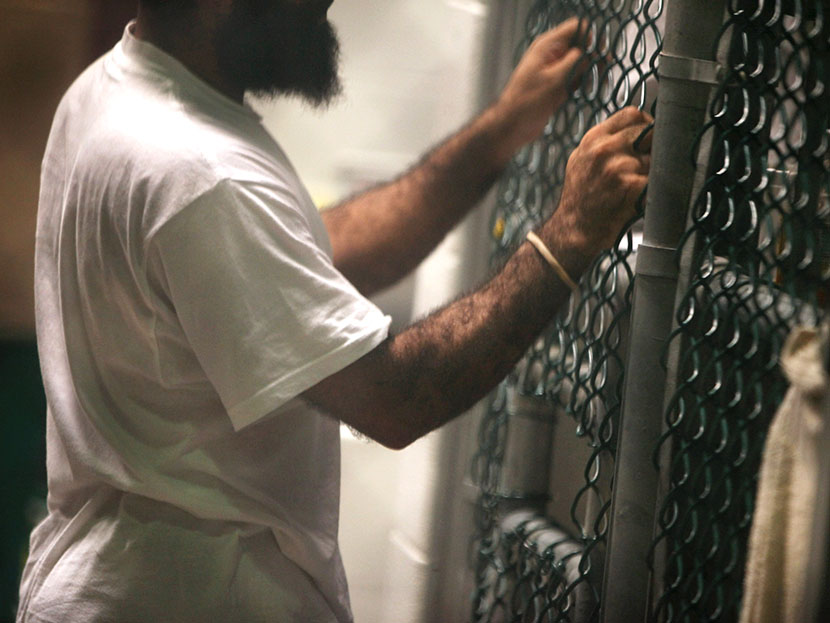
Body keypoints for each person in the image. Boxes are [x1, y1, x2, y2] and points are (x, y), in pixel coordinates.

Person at [17, 1, 653, 622]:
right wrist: (568, 236)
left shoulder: (112, 90)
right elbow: (396, 395)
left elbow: (309, 257)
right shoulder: (198, 171)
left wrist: (504, 128)